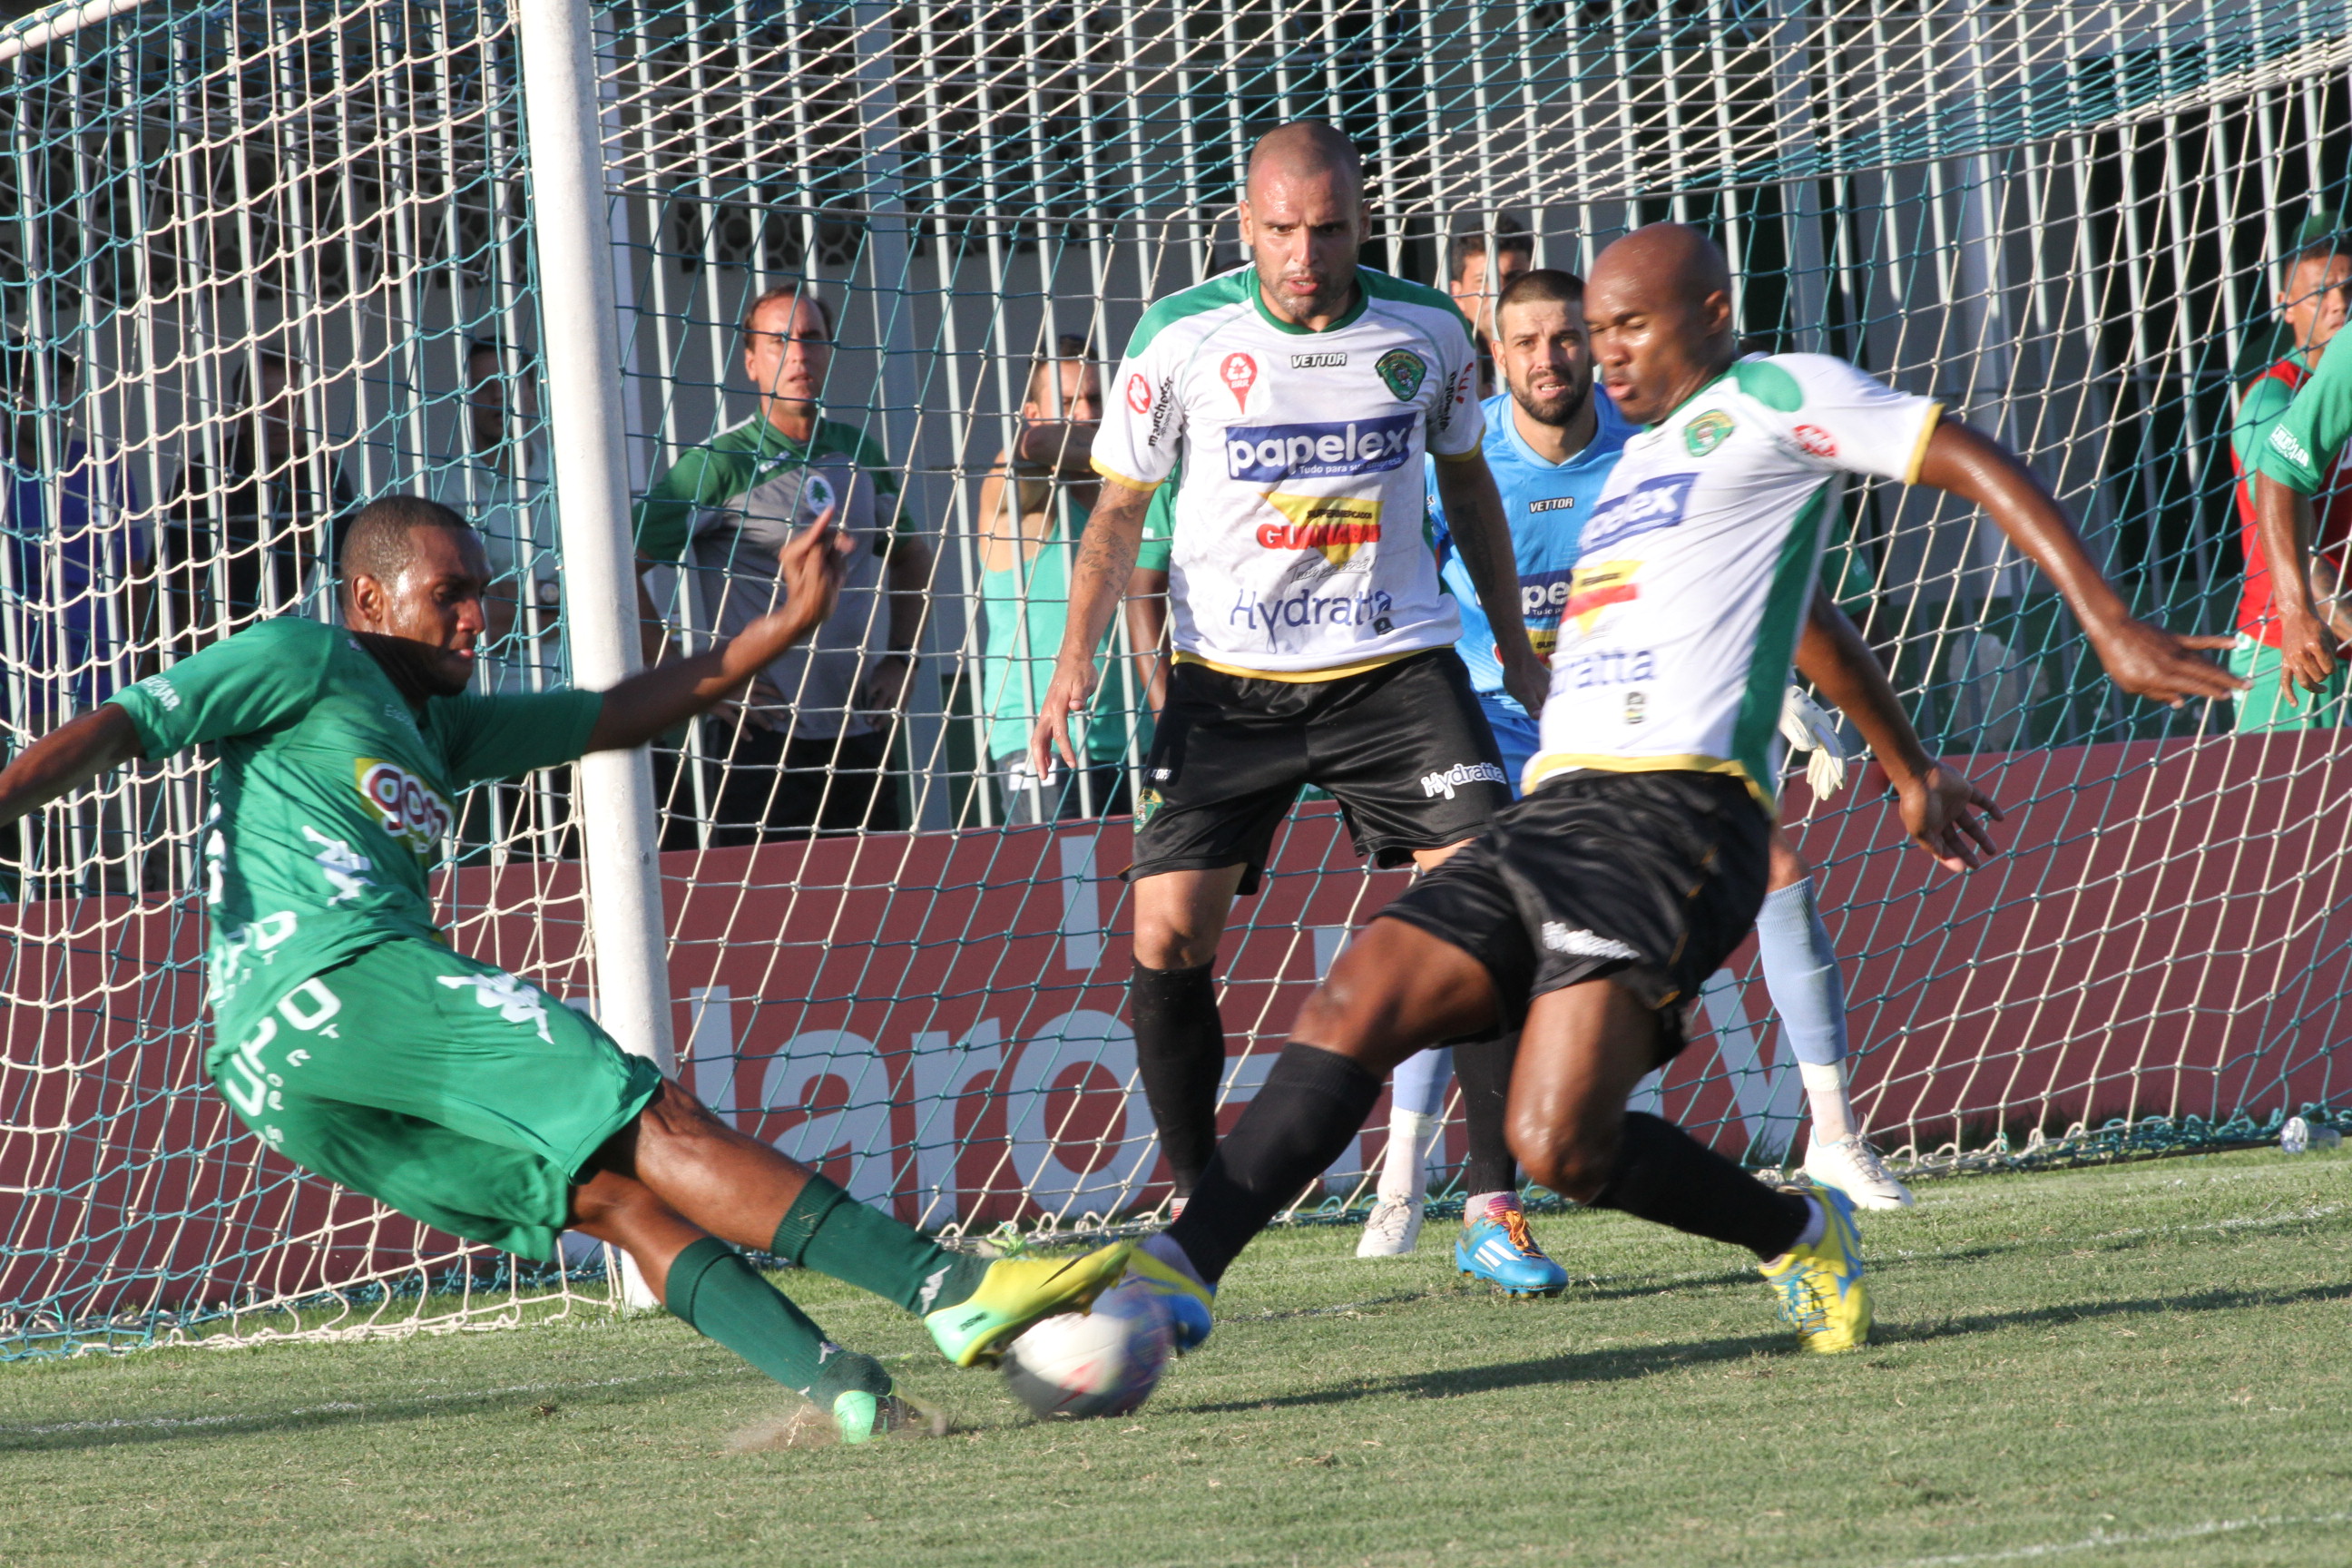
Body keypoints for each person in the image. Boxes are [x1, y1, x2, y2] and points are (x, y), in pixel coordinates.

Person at [1124, 223, 2239, 1357]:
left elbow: (1959, 452)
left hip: (1677, 820)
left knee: (1561, 1144)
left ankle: (1800, 1229)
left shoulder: (1772, 395)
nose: (1604, 353)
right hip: (1557, 809)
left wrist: (2109, 624)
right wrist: (1912, 768)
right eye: (1595, 330)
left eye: (1627, 324)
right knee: (1356, 994)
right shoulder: (1644, 461)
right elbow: (1805, 620)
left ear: (1711, 314)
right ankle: (1178, 1271)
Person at [0, 494, 1131, 1443]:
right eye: (450, 593)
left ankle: (841, 1391)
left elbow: (616, 712)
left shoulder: (438, 729)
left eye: (481, 590)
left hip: (274, 1074)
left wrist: (787, 625)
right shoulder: (306, 656)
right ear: (367, 601)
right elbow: (120, 725)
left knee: (604, 1196)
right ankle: (952, 1289)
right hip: (340, 978)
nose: (477, 618)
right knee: (651, 1114)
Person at [1030, 122, 1549, 1227]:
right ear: (1245, 226)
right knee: (1167, 937)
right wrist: (1074, 660)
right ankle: (1195, 1205)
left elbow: (1469, 490)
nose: (1305, 254)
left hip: (1394, 673)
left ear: (1362, 222)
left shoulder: (1428, 330)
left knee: (1488, 905)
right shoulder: (1178, 338)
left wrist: (1512, 649)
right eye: (1281, 231)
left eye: (1328, 230)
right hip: (1229, 684)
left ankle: (1495, 1206)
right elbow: (1120, 510)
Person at [634, 284, 931, 844]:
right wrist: (695, 680)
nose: (798, 354)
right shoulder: (716, 464)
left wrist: (902, 662)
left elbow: (913, 557)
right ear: (751, 362)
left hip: (861, 729)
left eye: (811, 338)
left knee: (877, 913)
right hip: (764, 740)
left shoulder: (858, 450)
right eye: (778, 341)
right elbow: (620, 573)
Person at [975, 335, 1170, 823]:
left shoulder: (1133, 497)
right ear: (1033, 410)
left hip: (1135, 742)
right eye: (1066, 402)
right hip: (1042, 741)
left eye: (1096, 399)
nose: (1085, 413)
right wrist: (1153, 450)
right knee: (1061, 897)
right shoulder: (1023, 489)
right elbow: (1036, 444)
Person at [2229, 240, 2352, 729]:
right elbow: (2282, 493)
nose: (2340, 302)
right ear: (2285, 305)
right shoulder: (2271, 401)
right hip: (2290, 656)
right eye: (2321, 292)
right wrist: (2314, 613)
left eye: (2348, 287)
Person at [1, 337, 148, 732]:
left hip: (104, 683)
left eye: (61, 383)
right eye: (33, 387)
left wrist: (144, 676)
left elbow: (133, 578)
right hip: (17, 690)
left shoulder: (106, 468)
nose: (52, 399)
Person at [161, 349, 353, 648]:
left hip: (282, 640)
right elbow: (191, 600)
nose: (283, 417)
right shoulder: (203, 478)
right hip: (204, 652)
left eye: (294, 403)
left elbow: (348, 576)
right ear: (239, 412)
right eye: (267, 404)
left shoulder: (323, 473)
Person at [426, 339, 557, 692]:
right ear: (466, 399)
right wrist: (561, 598)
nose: (499, 397)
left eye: (510, 385)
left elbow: (615, 598)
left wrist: (519, 599)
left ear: (532, 393)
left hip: (583, 685)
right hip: (493, 695)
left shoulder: (571, 478)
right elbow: (466, 618)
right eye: (485, 387)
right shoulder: (444, 494)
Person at [1446, 214, 1534, 397]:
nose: (1501, 292)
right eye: (1483, 281)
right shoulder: (1446, 364)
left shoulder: (1561, 354)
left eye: (1514, 277)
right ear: (1457, 294)